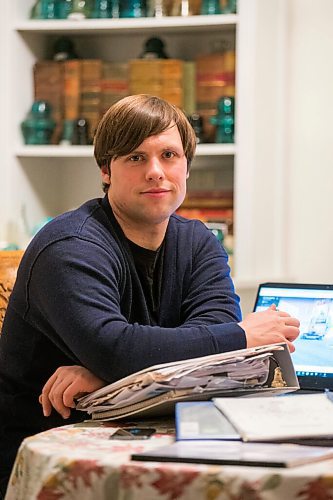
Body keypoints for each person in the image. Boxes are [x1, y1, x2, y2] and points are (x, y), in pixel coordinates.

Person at [0, 95, 300, 497]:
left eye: (169, 155)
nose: (156, 172)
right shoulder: (69, 245)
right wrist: (243, 336)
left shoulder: (198, 242)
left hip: (158, 435)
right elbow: (119, 346)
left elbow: (212, 362)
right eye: (136, 158)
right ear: (106, 170)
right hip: (48, 454)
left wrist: (112, 378)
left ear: (186, 167)